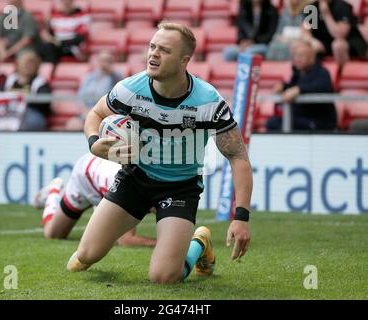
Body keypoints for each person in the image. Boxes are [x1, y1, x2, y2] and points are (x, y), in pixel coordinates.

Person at [67, 22, 253, 284]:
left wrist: (241, 217)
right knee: (84, 256)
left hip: (179, 189)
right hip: (135, 179)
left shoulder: (208, 101)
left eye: (164, 50)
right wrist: (94, 142)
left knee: (163, 277)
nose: (153, 54)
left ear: (184, 60)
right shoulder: (130, 89)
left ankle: (198, 243)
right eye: (152, 47)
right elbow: (96, 114)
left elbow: (238, 158)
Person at [33, 153, 156, 247]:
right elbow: (126, 240)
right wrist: (159, 244)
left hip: (102, 180)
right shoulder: (130, 187)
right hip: (84, 178)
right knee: (53, 234)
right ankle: (53, 192)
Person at [266, 40, 337, 131]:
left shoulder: (322, 72)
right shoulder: (298, 73)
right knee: (273, 122)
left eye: (300, 56)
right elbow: (292, 85)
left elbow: (321, 87)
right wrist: (283, 86)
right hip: (301, 118)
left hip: (319, 122)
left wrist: (299, 89)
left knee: (275, 123)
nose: (296, 59)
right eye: (295, 56)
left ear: (312, 58)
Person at [66, 51, 123, 131]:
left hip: (105, 114)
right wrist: (85, 111)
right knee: (73, 124)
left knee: (94, 126)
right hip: (87, 112)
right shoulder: (89, 77)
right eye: (102, 60)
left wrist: (110, 71)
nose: (104, 63)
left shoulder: (115, 76)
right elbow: (80, 97)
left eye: (108, 60)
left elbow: (120, 91)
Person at [301, 0, 367, 66]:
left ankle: (344, 73)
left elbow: (339, 34)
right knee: (302, 47)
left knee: (338, 45)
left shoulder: (342, 6)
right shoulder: (312, 8)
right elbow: (305, 33)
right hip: (324, 44)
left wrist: (326, 14)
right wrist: (313, 41)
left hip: (349, 44)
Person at [4, 50, 52, 131]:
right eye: (25, 63)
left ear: (37, 66)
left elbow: (45, 102)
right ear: (18, 64)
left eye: (31, 63)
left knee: (30, 122)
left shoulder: (40, 82)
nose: (28, 66)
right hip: (10, 111)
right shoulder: (10, 79)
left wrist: (25, 99)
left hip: (31, 113)